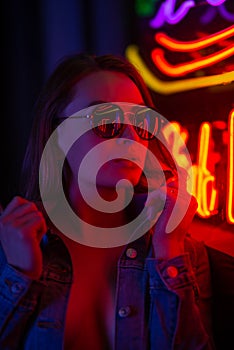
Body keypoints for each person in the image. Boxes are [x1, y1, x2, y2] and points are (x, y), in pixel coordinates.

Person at [0, 53, 215, 350]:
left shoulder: (184, 253)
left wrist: (167, 251)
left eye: (140, 122)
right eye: (105, 121)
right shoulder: (12, 245)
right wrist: (20, 273)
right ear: (57, 133)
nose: (129, 138)